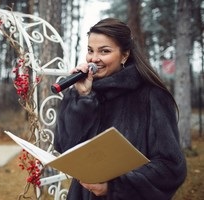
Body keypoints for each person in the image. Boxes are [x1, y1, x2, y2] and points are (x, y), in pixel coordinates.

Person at [54, 18, 187, 200]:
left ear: (124, 55)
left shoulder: (151, 96)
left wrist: (114, 187)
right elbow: (64, 147)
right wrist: (83, 99)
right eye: (90, 50)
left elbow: (171, 168)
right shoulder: (82, 91)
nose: (94, 59)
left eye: (105, 51)